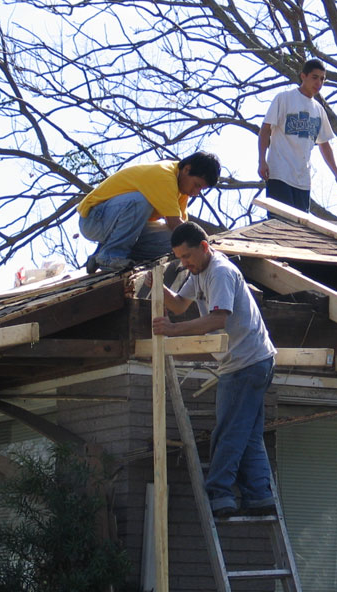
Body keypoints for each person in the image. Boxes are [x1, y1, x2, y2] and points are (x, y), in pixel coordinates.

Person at [151, 221, 277, 517]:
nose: (184, 263)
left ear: (204, 247)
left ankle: (220, 495)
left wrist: (171, 330)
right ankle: (259, 495)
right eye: (179, 258)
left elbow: (217, 320)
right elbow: (181, 304)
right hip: (253, 360)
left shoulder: (219, 272)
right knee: (247, 433)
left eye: (187, 256)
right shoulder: (200, 270)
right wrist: (155, 284)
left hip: (246, 363)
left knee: (228, 432)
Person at [78, 151, 221, 273]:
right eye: (196, 185)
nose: (196, 193)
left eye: (200, 189)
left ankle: (101, 255)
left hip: (111, 226)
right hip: (94, 219)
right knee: (141, 201)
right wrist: (207, 247)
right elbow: (175, 223)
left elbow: (179, 231)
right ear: (187, 169)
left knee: (173, 241)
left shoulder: (182, 190)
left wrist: (201, 250)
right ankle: (110, 256)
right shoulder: (164, 176)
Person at [258, 58, 337, 212]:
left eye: (322, 79)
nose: (318, 82)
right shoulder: (284, 98)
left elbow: (324, 144)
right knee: (280, 225)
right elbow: (265, 130)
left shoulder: (319, 110)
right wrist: (261, 160)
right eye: (314, 77)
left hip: (302, 180)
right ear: (303, 76)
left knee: (299, 229)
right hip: (279, 173)